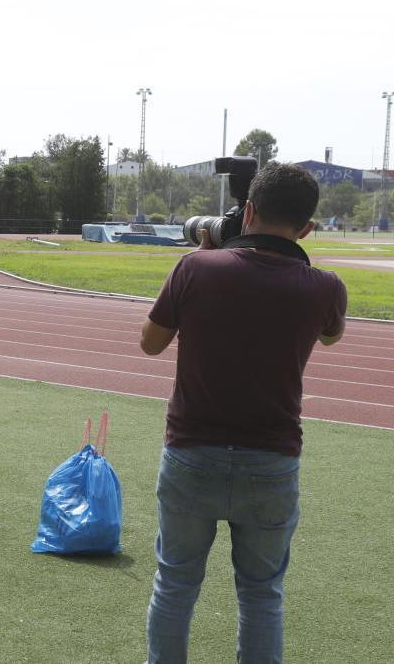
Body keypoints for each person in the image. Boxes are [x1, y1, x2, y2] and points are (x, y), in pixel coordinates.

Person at [139, 162, 347, 663]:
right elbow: (331, 335)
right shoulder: (325, 286)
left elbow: (150, 344)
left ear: (247, 210)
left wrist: (207, 258)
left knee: (175, 586)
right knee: (261, 596)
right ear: (308, 228)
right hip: (272, 461)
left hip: (192, 453)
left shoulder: (193, 268)